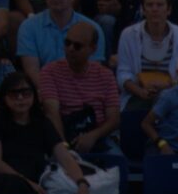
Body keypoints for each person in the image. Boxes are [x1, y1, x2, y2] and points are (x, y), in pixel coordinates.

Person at [0, 70, 88, 194]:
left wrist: (81, 182)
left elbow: (64, 157)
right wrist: (27, 183)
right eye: (14, 94)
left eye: (26, 93)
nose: (20, 98)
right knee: (16, 186)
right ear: (4, 98)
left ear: (34, 95)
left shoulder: (42, 122)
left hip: (34, 184)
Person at [43, 20, 123, 161]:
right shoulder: (49, 71)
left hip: (98, 138)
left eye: (77, 46)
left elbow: (114, 119)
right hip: (63, 136)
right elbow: (51, 113)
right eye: (67, 43)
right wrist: (64, 147)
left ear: (92, 49)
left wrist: (92, 136)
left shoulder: (105, 75)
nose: (71, 49)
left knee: (118, 164)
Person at [114, 0, 178, 121]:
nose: (154, 9)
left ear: (169, 10)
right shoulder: (128, 35)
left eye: (160, 5)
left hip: (172, 95)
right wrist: (140, 91)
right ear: (143, 10)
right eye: (149, 5)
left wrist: (167, 86)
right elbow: (122, 73)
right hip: (137, 96)